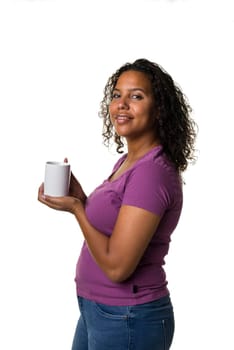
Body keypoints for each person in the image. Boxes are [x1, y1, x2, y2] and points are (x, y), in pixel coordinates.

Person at [38, 58, 197, 350]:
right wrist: (81, 199)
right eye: (117, 95)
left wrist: (76, 209)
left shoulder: (150, 173)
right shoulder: (129, 161)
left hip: (128, 317)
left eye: (136, 96)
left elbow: (118, 267)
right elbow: (113, 227)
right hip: (99, 310)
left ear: (159, 108)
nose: (122, 104)